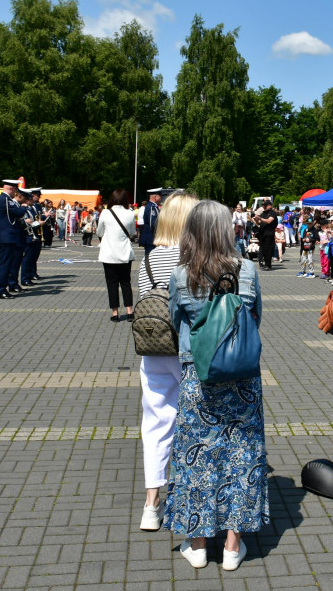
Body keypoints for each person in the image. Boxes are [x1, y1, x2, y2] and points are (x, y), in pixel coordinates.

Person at [165, 200, 268, 570]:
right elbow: (255, 319)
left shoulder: (181, 276)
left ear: (191, 233)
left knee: (198, 457)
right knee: (243, 454)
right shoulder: (250, 271)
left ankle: (196, 546)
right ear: (227, 231)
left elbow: (174, 319)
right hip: (243, 377)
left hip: (199, 375)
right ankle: (231, 546)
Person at [135, 191, 199, 532]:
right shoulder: (194, 259)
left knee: (156, 423)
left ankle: (151, 503)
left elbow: (146, 300)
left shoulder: (149, 259)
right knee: (196, 419)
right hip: (188, 347)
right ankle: (192, 495)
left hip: (153, 346)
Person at [97, 189, 136, 321]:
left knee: (112, 283)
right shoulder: (130, 213)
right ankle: (130, 311)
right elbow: (132, 232)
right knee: (126, 282)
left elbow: (99, 231)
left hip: (109, 254)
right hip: (124, 252)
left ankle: (115, 312)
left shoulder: (105, 213)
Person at [0, 179, 28, 300]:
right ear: (11, 189)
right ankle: (0, 290)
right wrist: (24, 206)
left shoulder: (6, 200)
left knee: (7, 265)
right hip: (5, 237)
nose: (16, 194)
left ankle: (4, 288)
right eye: (15, 190)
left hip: (8, 237)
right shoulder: (4, 200)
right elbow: (18, 212)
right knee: (4, 265)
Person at [254, 199, 277, 270]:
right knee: (263, 249)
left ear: (269, 205)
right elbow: (259, 223)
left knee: (268, 250)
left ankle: (268, 265)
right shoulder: (263, 213)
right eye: (263, 205)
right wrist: (256, 220)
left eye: (265, 205)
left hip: (269, 234)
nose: (264, 207)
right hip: (262, 233)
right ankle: (263, 264)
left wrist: (260, 218)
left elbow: (269, 221)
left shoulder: (272, 213)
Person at [140, 189, 162, 257]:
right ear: (155, 197)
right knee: (150, 258)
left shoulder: (152, 206)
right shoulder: (151, 207)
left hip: (151, 238)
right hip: (151, 238)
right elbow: (152, 224)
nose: (161, 198)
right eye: (160, 196)